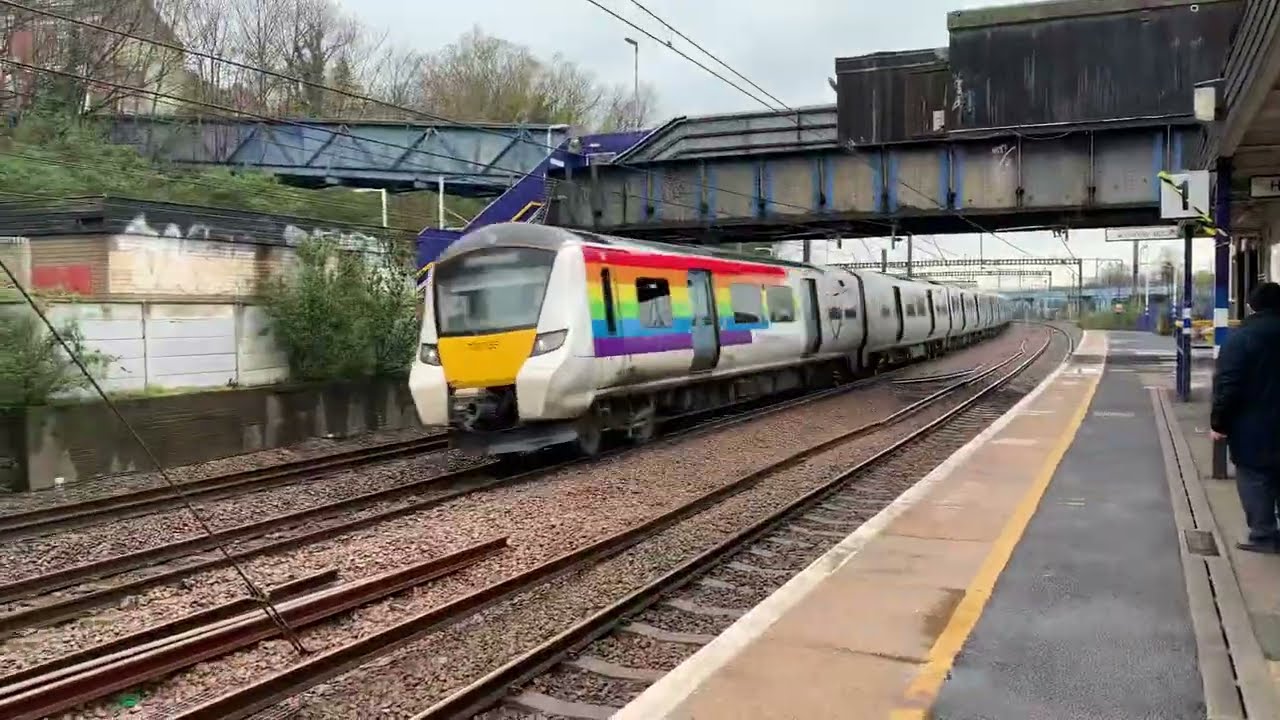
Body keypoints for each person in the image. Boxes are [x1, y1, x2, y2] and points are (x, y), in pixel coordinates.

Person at [1211, 281, 1280, 553]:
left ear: (1251, 305)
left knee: (1254, 477)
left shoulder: (1242, 338)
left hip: (1253, 425)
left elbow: (1229, 384)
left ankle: (1264, 536)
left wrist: (1219, 423)